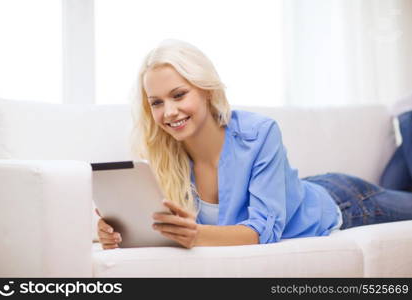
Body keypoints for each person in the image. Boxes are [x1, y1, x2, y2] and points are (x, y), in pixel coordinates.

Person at [96, 39, 412, 250]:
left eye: (179, 95)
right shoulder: (163, 154)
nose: (169, 112)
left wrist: (197, 235)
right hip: (292, 193)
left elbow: (264, 232)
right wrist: (116, 234)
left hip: (344, 201)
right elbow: (159, 230)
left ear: (206, 90)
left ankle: (407, 122)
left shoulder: (259, 133)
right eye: (157, 102)